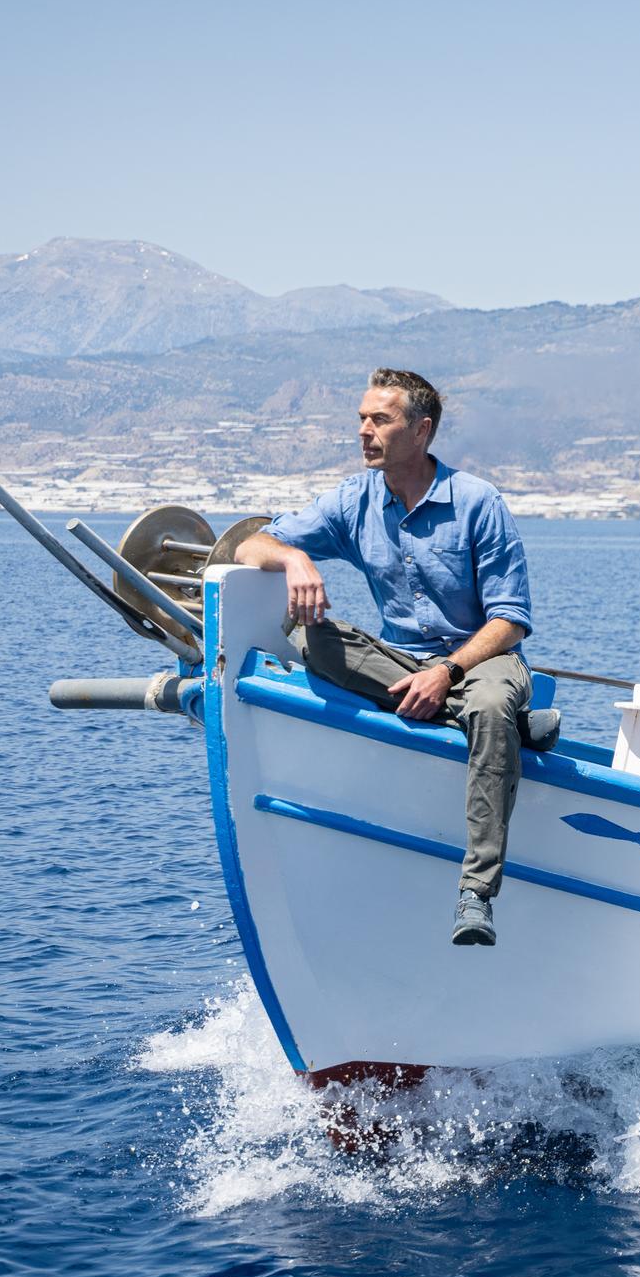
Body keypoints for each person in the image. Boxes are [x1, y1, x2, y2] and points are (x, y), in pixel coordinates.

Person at [236, 368, 535, 947]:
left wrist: (447, 671)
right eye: (361, 419)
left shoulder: (477, 503)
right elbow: (252, 542)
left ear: (421, 431)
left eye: (380, 419)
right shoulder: (356, 498)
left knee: (493, 699)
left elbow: (510, 619)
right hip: (398, 660)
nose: (364, 431)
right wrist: (297, 561)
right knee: (310, 635)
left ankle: (476, 892)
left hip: (479, 659)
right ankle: (489, 723)